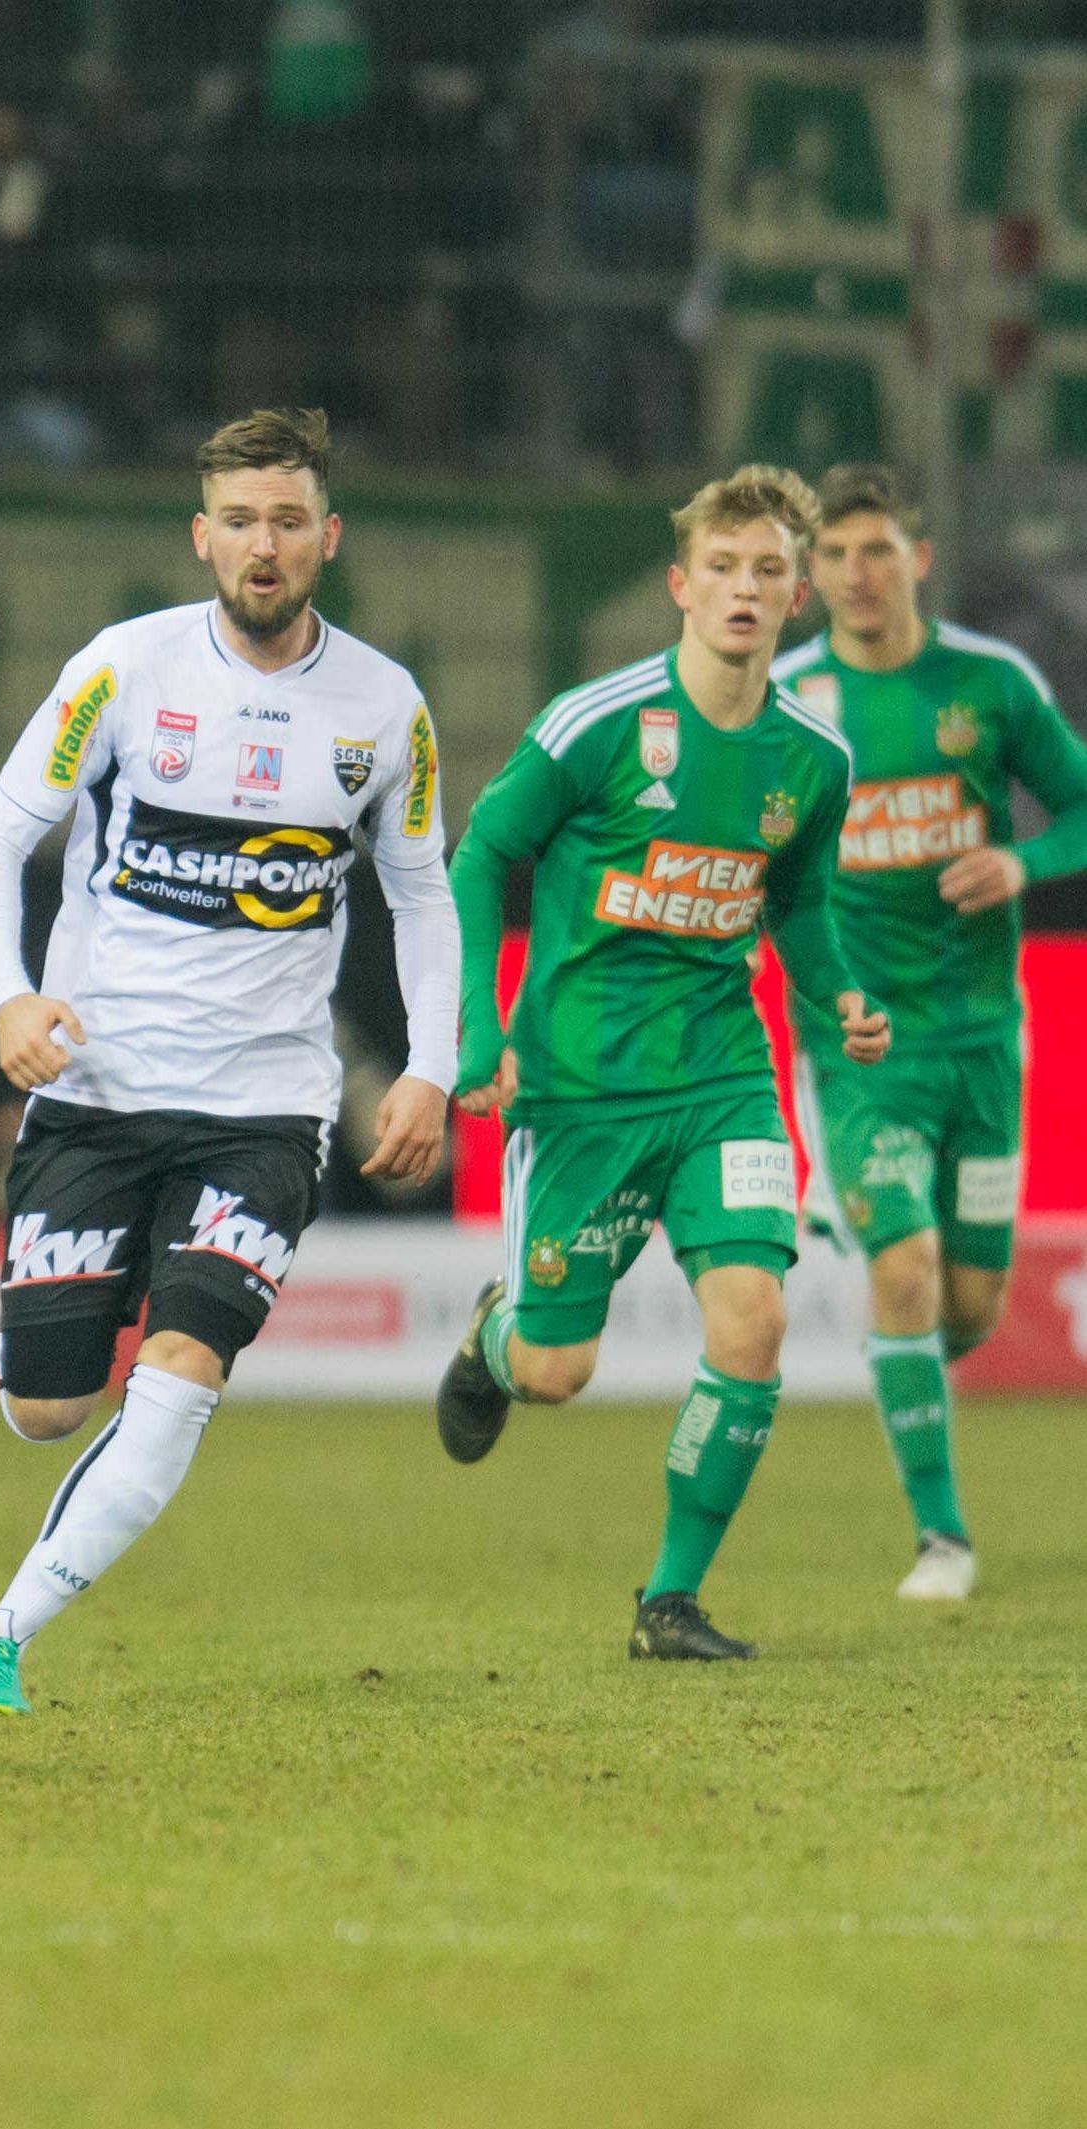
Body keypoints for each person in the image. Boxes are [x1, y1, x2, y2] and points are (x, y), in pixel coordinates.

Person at [0, 407, 459, 1716]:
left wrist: (428, 1066)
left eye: (287, 519)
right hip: (98, 1090)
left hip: (265, 1109)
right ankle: (80, 1383)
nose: (262, 544)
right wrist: (10, 1001)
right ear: (200, 536)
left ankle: (1, 1635)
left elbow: (422, 894)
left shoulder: (385, 707)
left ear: (326, 537)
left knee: (179, 1376)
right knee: (44, 1408)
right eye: (238, 520)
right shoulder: (121, 671)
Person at [435, 464, 889, 1661]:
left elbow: (795, 902)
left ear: (798, 598)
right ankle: (495, 1337)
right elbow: (482, 857)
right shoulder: (595, 724)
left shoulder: (815, 761)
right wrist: (480, 1033)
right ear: (683, 585)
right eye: (724, 568)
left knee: (753, 1317)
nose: (746, 588)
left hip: (725, 1075)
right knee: (556, 1366)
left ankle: (669, 1599)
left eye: (769, 570)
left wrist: (838, 989)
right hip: (581, 1084)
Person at [774, 463, 1087, 1601]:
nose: (858, 572)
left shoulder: (990, 683)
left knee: (968, 1309)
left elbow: (1082, 801)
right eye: (837, 554)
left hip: (986, 1042)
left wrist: (1025, 857)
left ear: (921, 556)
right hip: (861, 1044)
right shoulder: (790, 699)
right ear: (813, 573)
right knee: (905, 1271)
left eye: (878, 549)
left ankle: (893, 1332)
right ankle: (943, 1539)